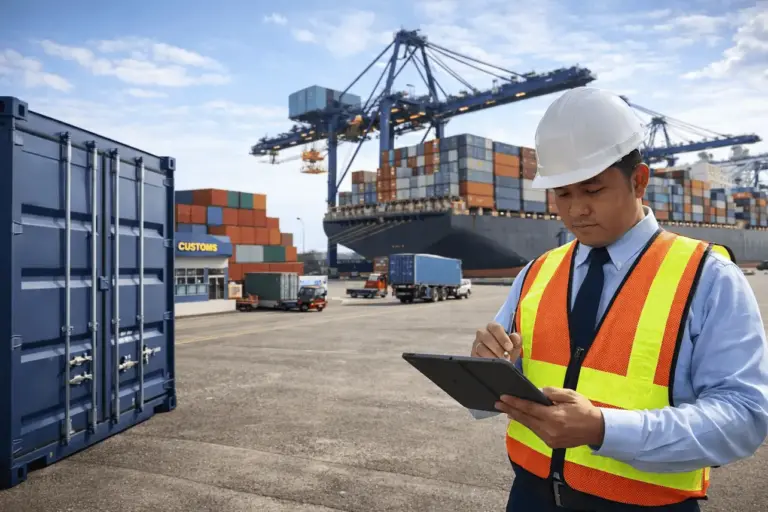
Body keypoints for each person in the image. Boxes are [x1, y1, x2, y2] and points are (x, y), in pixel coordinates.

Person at [471, 87, 768, 511]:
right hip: (529, 498)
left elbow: (744, 417)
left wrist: (603, 429)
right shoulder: (536, 271)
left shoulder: (709, 277)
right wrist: (493, 366)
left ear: (639, 180)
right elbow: (497, 386)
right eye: (563, 194)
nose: (576, 211)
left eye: (592, 191)